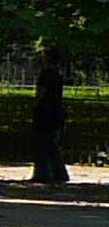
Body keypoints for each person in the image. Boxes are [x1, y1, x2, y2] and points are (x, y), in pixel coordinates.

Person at [33, 49, 71, 186]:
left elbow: (40, 94)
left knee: (43, 143)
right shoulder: (58, 75)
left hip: (44, 113)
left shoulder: (45, 75)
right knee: (53, 144)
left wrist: (33, 107)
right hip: (57, 112)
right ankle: (59, 172)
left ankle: (43, 173)